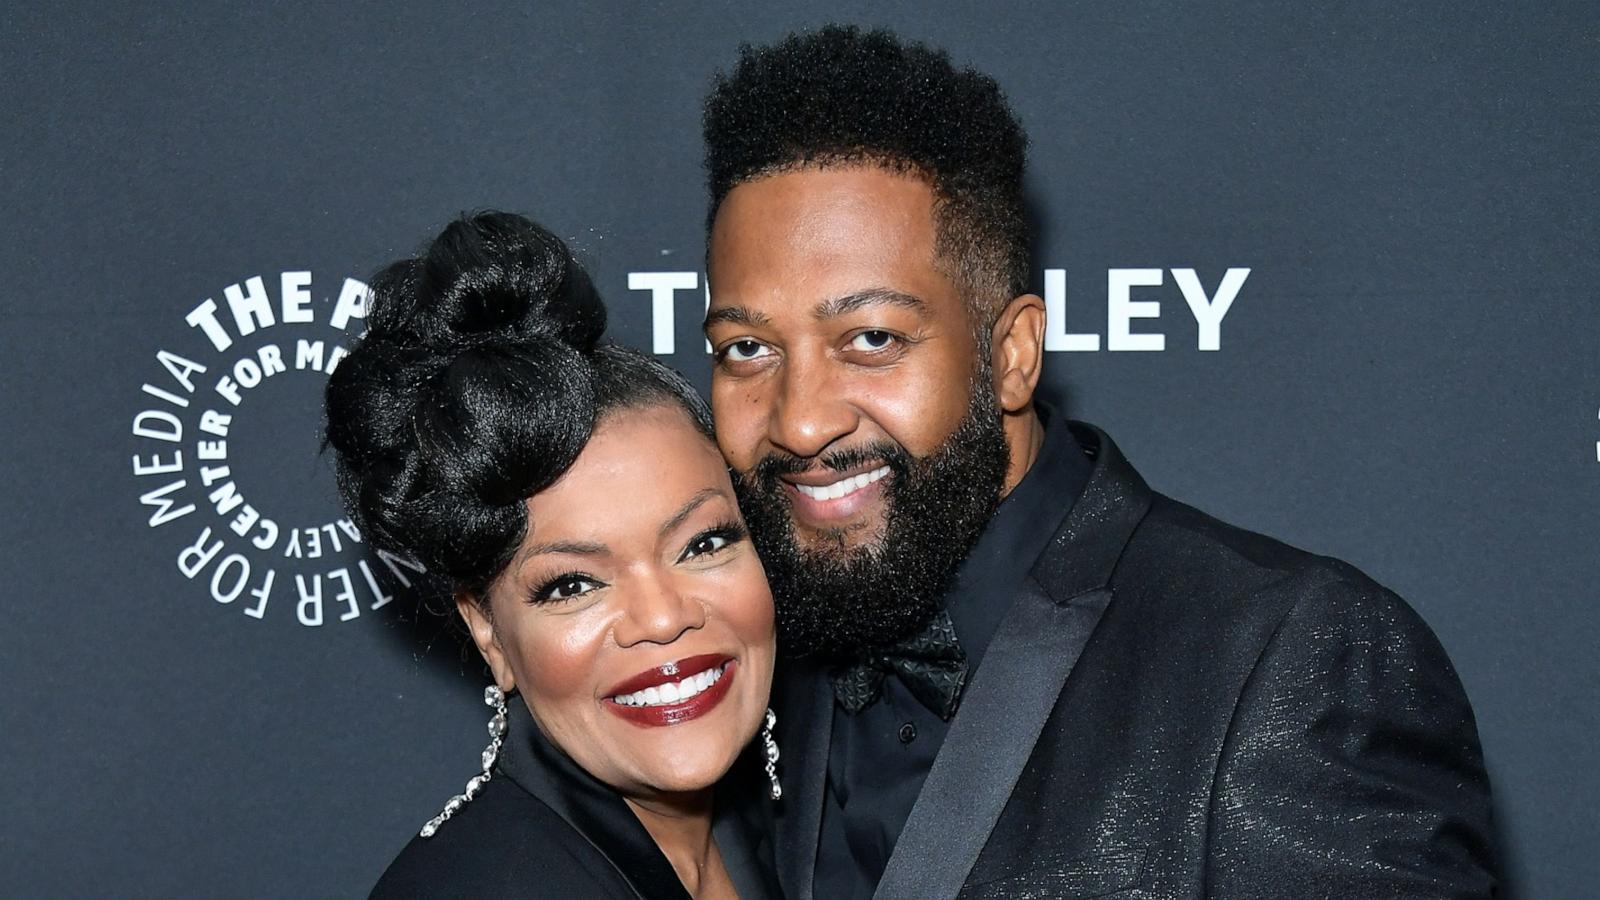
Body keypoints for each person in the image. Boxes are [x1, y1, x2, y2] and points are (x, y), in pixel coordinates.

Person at [700, 25, 1497, 899]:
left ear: (1011, 355)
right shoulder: (749, 651)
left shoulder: (1294, 658)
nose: (801, 422)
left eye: (873, 338)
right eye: (746, 349)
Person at [324, 211, 781, 899]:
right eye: (572, 585)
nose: (660, 618)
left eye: (703, 543)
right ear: (488, 631)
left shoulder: (800, 832)